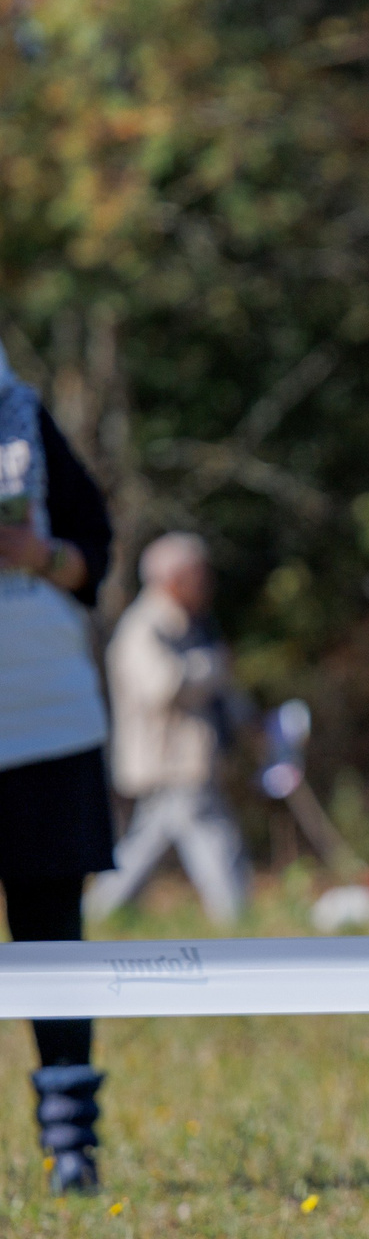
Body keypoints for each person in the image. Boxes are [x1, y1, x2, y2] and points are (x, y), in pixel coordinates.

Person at [0, 342, 117, 1194]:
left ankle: (70, 1145)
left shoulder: (23, 417)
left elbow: (93, 556)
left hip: (48, 729)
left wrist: (35, 553)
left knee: (53, 945)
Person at [86, 532, 251, 927]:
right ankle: (240, 924)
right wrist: (210, 666)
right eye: (198, 575)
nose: (206, 584)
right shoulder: (143, 626)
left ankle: (97, 916)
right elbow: (163, 684)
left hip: (185, 763)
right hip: (167, 763)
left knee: (142, 850)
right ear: (172, 578)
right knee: (214, 841)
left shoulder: (193, 623)